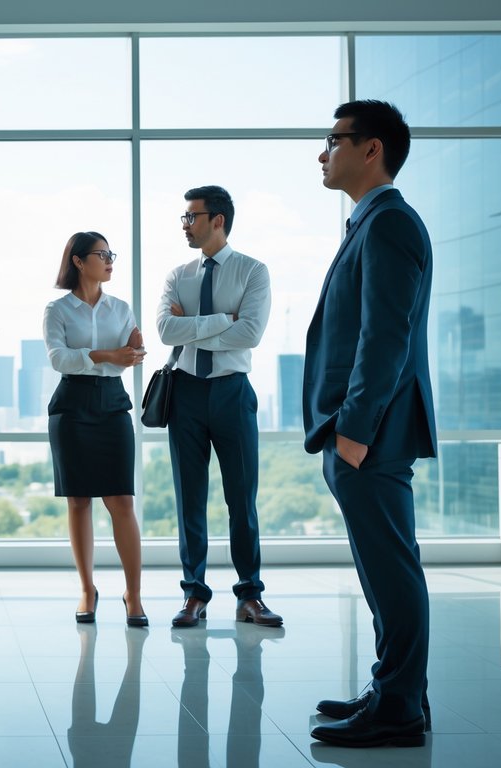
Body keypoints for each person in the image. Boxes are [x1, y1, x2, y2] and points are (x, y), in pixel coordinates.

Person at [305, 100, 436, 749]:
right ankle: (397, 690)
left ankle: (398, 710)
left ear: (370, 148)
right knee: (385, 567)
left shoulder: (388, 223)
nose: (321, 152)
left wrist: (352, 429)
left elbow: (385, 336)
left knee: (389, 569)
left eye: (332, 140)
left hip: (369, 431)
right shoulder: (373, 222)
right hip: (362, 429)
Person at [154, 185, 281, 630]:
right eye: (184, 218)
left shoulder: (252, 271)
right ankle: (194, 595)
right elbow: (167, 331)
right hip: (185, 393)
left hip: (232, 392)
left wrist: (193, 327)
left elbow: (250, 334)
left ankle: (250, 596)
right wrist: (218, 322)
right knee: (190, 498)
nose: (185, 225)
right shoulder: (178, 274)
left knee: (240, 499)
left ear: (217, 220)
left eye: (192, 217)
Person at [43, 231, 147, 627]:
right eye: (101, 255)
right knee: (78, 500)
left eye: (110, 254)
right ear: (78, 261)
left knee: (121, 500)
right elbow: (59, 359)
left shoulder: (120, 308)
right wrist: (107, 354)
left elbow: (131, 359)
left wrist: (127, 354)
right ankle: (87, 589)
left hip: (112, 403)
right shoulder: (58, 310)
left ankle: (133, 594)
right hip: (71, 406)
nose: (109, 261)